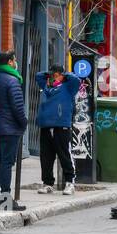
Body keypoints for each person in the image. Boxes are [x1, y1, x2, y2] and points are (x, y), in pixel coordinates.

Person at [0, 50, 27, 211]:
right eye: (14, 60)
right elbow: (18, 107)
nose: (16, 62)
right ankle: (6, 200)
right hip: (10, 129)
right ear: (10, 62)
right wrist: (24, 123)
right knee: (6, 164)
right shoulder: (12, 81)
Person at [36, 64, 78, 194]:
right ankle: (48, 183)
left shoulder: (68, 87)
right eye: (53, 75)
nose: (55, 77)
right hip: (46, 126)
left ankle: (70, 182)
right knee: (46, 157)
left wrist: (64, 75)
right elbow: (38, 76)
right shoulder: (47, 87)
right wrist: (49, 74)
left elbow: (76, 79)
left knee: (64, 155)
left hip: (61, 126)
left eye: (57, 75)